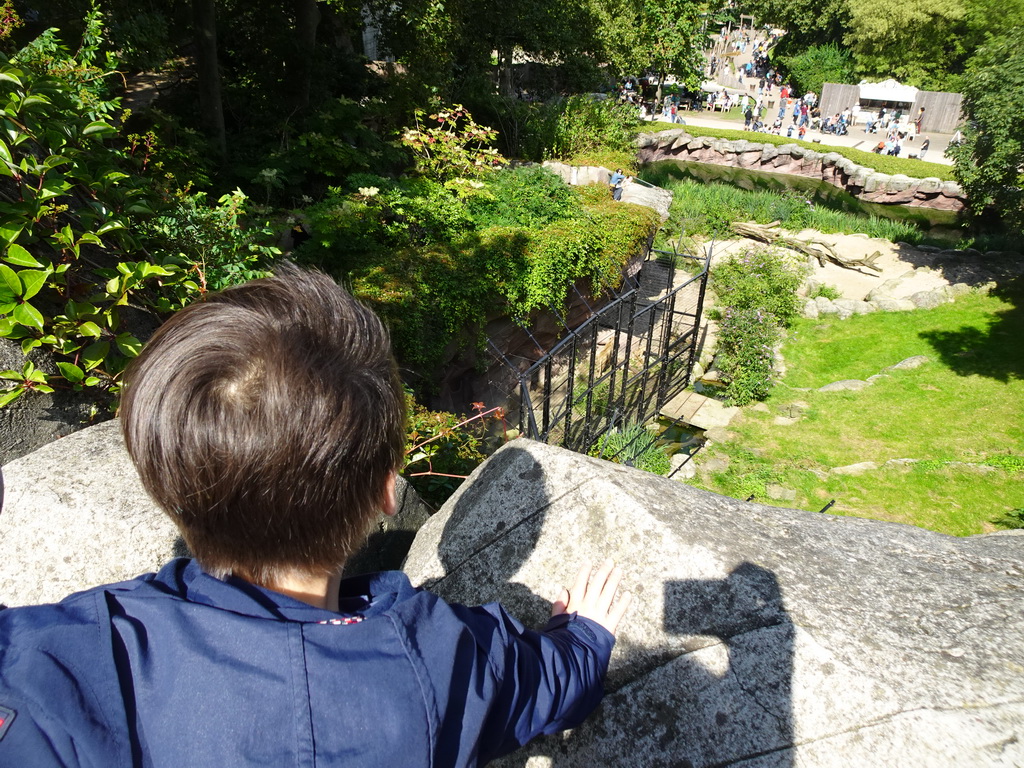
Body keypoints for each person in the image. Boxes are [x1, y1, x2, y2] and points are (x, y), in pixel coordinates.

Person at [0, 265, 632, 767]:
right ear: (388, 491)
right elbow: (550, 683)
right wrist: (586, 636)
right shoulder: (444, 658)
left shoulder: (59, 656)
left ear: (164, 484)